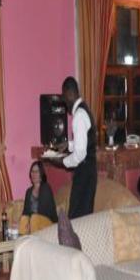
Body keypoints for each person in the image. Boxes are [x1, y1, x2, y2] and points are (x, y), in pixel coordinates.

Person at [54, 76, 97, 219]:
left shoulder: (79, 115)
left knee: (77, 219)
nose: (64, 102)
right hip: (88, 172)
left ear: (70, 93)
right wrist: (69, 145)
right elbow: (84, 143)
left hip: (84, 173)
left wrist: (62, 162)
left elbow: (80, 155)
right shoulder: (84, 110)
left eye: (64, 97)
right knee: (82, 218)